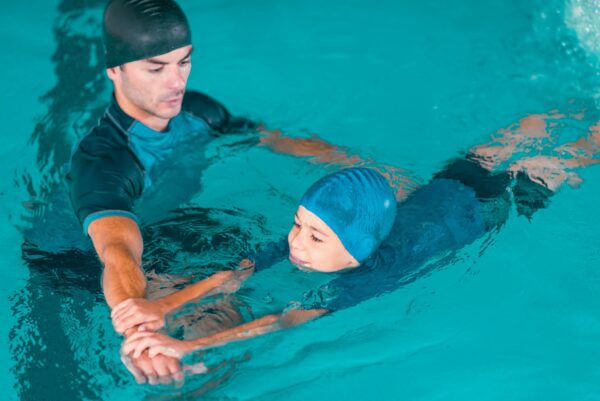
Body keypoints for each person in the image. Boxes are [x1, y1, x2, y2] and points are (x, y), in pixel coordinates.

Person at [113, 113, 600, 360]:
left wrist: (192, 348)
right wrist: (163, 307)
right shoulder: (315, 242)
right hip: (444, 186)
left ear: (356, 254)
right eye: (298, 224)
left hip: (484, 211)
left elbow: (282, 321)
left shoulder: (363, 277)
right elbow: (234, 272)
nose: (297, 243)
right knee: (512, 136)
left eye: (316, 237)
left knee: (551, 168)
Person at [66, 0, 258, 385]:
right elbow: (118, 251)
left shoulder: (198, 111)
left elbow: (274, 138)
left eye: (183, 61)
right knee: (212, 324)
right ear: (114, 70)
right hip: (82, 260)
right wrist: (137, 325)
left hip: (171, 231)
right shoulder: (104, 161)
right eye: (156, 68)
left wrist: (355, 164)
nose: (177, 83)